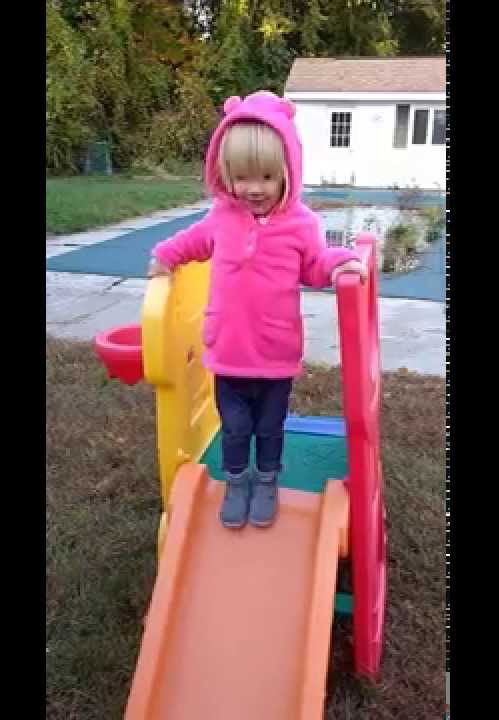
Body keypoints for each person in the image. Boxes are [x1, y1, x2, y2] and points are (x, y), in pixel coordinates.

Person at [147, 90, 368, 529]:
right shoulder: (221, 218)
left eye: (266, 176)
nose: (253, 188)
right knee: (234, 428)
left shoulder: (301, 223)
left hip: (275, 353)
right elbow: (189, 242)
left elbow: (314, 265)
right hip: (229, 351)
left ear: (289, 170)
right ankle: (236, 482)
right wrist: (164, 257)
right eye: (241, 177)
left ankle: (266, 481)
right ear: (224, 174)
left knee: (269, 427)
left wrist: (339, 262)